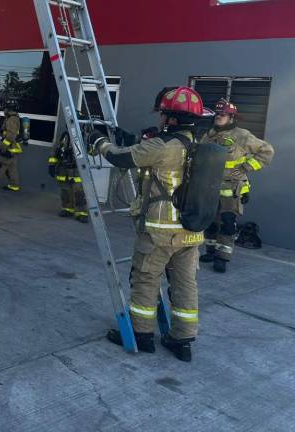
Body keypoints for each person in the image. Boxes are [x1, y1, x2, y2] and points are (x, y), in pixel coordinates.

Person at [88, 87, 210, 362]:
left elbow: (119, 158)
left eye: (165, 115)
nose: (162, 119)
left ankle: (141, 334)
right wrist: (132, 141)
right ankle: (183, 339)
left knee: (145, 278)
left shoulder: (162, 146)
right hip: (192, 232)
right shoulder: (198, 143)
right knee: (185, 283)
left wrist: (98, 141)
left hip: (160, 231)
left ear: (173, 119)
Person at [199, 98, 274, 273]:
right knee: (210, 222)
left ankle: (222, 257)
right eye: (217, 114)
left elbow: (267, 151)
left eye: (223, 114)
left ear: (231, 117)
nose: (218, 116)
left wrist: (247, 167)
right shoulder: (209, 135)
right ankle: (210, 251)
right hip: (209, 187)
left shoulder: (242, 135)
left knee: (227, 224)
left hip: (231, 189)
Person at [48, 131, 88, 223]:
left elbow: (93, 152)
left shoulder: (84, 136)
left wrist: (90, 147)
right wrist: (51, 165)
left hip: (76, 170)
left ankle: (81, 213)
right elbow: (55, 150)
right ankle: (67, 209)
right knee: (65, 190)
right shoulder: (63, 136)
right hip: (63, 169)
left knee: (79, 192)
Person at [0, 98, 23, 192]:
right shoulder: (13, 118)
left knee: (1, 165)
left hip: (10, 148)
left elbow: (11, 135)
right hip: (14, 149)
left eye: (5, 108)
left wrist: (4, 147)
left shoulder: (12, 119)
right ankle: (14, 185)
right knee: (12, 168)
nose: (4, 110)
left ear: (9, 109)